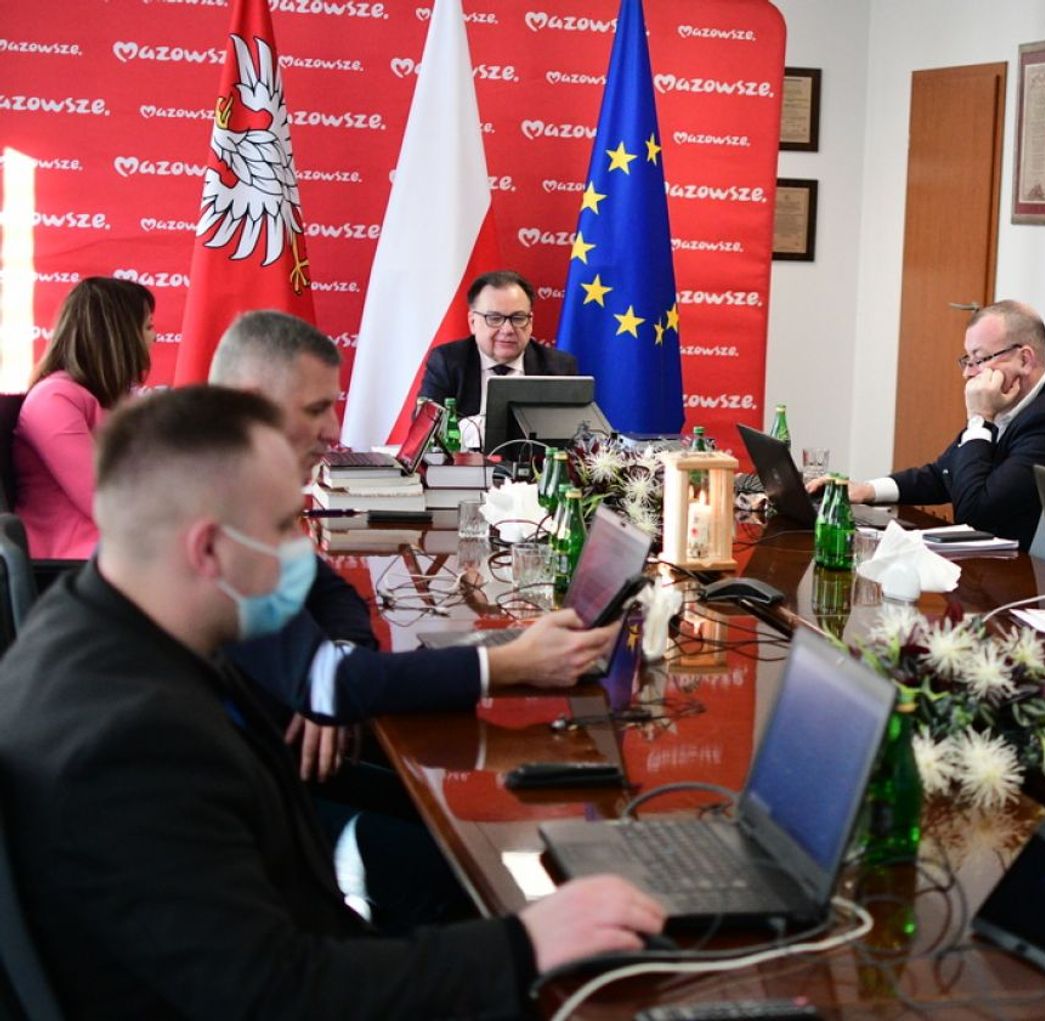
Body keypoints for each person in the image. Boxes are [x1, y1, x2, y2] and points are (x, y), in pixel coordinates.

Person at [0, 385, 664, 1017]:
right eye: (285, 526)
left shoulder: (103, 619)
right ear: (207, 549)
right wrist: (525, 944)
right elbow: (281, 997)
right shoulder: (130, 746)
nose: (302, 549)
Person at [209, 310, 619, 782]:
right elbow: (328, 683)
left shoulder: (248, 494)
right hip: (264, 782)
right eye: (315, 409)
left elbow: (334, 596)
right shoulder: (215, 517)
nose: (334, 431)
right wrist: (511, 663)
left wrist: (331, 675)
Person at [818, 301, 1045, 544]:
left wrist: (979, 418)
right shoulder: (1016, 401)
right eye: (967, 360)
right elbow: (945, 473)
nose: (968, 373)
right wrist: (866, 490)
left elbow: (976, 513)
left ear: (1024, 359)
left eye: (979, 360)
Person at [12, 276, 154, 558]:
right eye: (148, 327)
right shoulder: (54, 398)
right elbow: (105, 500)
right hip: (74, 560)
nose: (155, 337)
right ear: (120, 335)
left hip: (124, 553)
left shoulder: (119, 400)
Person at [418, 269, 579, 417]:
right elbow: (427, 428)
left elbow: (571, 431)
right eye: (494, 318)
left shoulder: (559, 368)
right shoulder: (447, 362)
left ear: (530, 322)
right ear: (473, 322)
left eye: (518, 318)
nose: (508, 329)